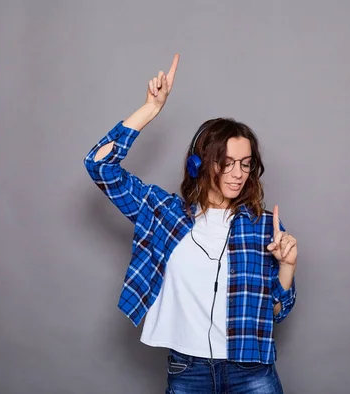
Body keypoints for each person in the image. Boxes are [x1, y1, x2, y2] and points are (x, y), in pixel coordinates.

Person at [83, 54, 297, 394]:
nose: (238, 173)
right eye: (227, 163)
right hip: (189, 370)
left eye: (245, 163)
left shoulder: (261, 226)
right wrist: (150, 110)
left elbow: (273, 313)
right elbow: (99, 166)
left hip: (252, 370)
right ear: (201, 163)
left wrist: (286, 266)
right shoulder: (164, 214)